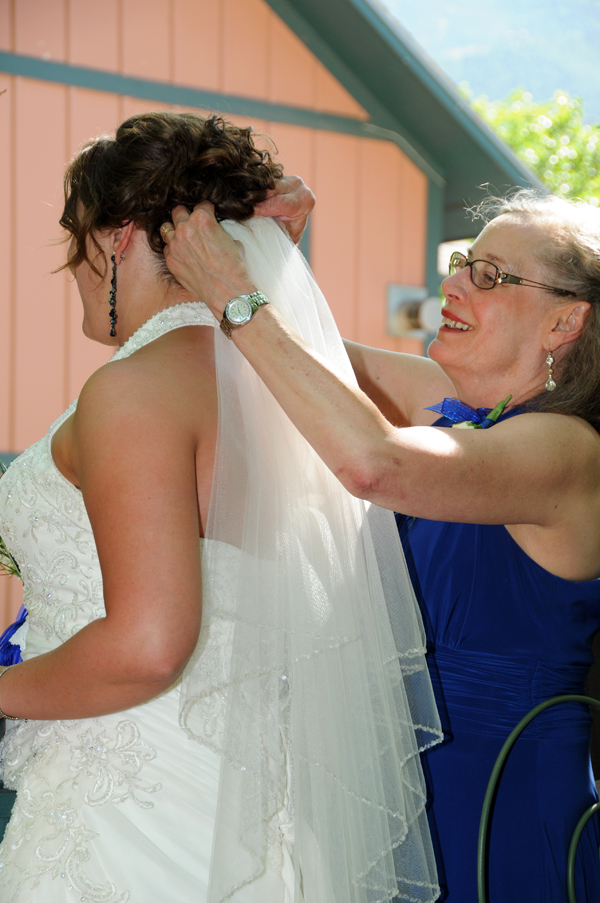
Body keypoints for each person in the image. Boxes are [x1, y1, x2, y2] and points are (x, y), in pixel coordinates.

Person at [0, 111, 442, 903]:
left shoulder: (134, 389)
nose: (70, 267)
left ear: (118, 236)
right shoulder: (275, 381)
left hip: (133, 817)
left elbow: (147, 645)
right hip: (244, 799)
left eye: (75, 237)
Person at [161, 188, 600, 902]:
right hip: (395, 802)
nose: (452, 285)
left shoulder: (568, 451)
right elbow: (283, 358)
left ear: (565, 321)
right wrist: (267, 262)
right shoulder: (462, 416)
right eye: (462, 263)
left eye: (489, 275)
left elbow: (374, 462)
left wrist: (240, 294)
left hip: (495, 818)